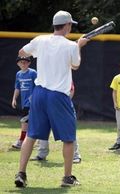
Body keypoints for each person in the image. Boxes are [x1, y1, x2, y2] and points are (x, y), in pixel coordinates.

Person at [14, 10, 89, 188]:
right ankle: (67, 178)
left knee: (31, 135)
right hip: (58, 96)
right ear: (68, 25)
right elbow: (76, 66)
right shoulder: (70, 45)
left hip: (39, 93)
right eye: (71, 25)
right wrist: (78, 45)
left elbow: (22, 52)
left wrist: (45, 57)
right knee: (69, 138)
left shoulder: (40, 40)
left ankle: (21, 173)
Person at [31, 82, 82, 163]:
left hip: (62, 105)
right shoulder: (45, 77)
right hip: (47, 104)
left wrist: (64, 104)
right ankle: (41, 154)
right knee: (42, 130)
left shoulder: (64, 76)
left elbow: (71, 91)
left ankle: (75, 156)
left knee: (69, 131)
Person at [11, 56, 37, 149]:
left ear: (29, 63)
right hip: (24, 103)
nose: (23, 64)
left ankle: (21, 141)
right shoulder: (18, 74)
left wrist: (33, 98)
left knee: (24, 122)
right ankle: (33, 141)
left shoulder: (33, 73)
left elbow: (38, 85)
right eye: (21, 62)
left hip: (32, 103)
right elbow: (17, 87)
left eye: (25, 62)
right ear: (18, 64)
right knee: (30, 123)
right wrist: (14, 99)